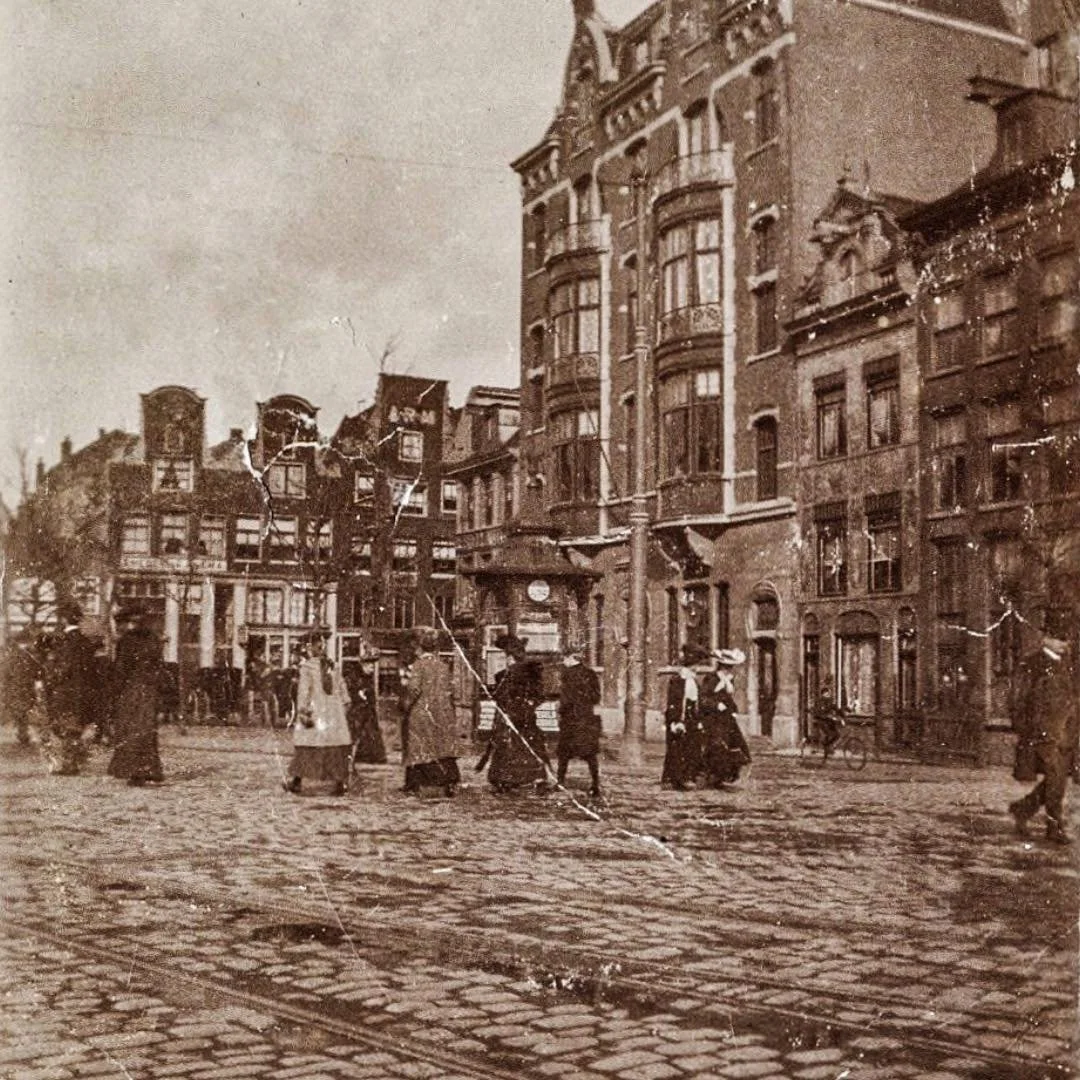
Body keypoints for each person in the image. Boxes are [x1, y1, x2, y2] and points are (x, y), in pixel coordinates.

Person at [1008, 629, 1079, 845]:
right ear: (1045, 639)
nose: (1063, 643)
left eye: (1065, 639)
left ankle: (1022, 809)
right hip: (1043, 734)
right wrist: (1025, 728)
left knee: (1057, 780)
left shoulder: (1070, 665)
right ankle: (1053, 827)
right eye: (1059, 637)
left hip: (1068, 733)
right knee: (1056, 777)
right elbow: (1018, 699)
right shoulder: (1032, 664)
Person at [283, 631, 352, 796]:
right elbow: (343, 689)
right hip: (334, 713)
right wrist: (344, 706)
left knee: (307, 744)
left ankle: (297, 782)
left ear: (309, 648)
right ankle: (340, 783)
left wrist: (302, 711)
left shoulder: (307, 668)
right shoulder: (333, 665)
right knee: (335, 745)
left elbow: (304, 692)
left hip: (316, 711)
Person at [481, 633, 549, 793]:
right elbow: (538, 695)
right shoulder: (512, 674)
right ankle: (529, 778)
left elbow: (504, 696)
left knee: (513, 747)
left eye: (507, 655)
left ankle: (509, 779)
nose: (506, 658)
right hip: (519, 716)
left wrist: (524, 705)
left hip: (514, 717)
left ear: (511, 656)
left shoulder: (513, 674)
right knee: (523, 746)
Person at [400, 627, 460, 796]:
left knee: (419, 746)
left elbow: (414, 690)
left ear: (420, 647)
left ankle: (415, 784)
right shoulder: (443, 666)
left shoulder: (418, 666)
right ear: (435, 649)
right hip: (442, 713)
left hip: (422, 713)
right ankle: (448, 782)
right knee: (442, 748)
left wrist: (406, 706)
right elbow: (450, 691)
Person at [108, 610, 165, 786]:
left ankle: (132, 770)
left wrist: (114, 694)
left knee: (129, 729)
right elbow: (159, 668)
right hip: (149, 690)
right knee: (146, 730)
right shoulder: (154, 640)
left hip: (131, 690)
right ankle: (150, 768)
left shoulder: (126, 641)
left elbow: (121, 670)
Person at [39, 602, 97, 775]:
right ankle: (72, 762)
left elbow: (64, 668)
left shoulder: (63, 642)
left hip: (65, 691)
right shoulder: (86, 641)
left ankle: (69, 764)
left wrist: (50, 678)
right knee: (75, 727)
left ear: (63, 620)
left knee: (65, 727)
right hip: (82, 691)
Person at [556, 643, 603, 798]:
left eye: (564, 658)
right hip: (586, 719)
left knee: (563, 753)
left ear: (570, 658)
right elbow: (596, 697)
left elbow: (566, 699)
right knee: (590, 754)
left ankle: (560, 782)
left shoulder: (567, 674)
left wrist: (561, 710)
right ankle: (595, 785)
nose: (563, 662)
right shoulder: (590, 673)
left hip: (570, 719)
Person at [700, 648, 751, 786]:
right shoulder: (711, 679)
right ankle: (714, 776)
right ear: (721, 666)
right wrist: (716, 705)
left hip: (726, 718)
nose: (729, 670)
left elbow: (728, 698)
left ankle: (729, 775)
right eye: (727, 667)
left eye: (730, 667)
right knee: (717, 745)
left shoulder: (729, 680)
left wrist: (733, 709)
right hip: (713, 718)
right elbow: (703, 698)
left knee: (735, 744)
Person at [662, 644, 708, 790]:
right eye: (695, 666)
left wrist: (699, 720)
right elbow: (674, 702)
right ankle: (672, 779)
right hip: (680, 718)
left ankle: (688, 776)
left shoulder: (694, 682)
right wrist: (675, 721)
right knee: (676, 749)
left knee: (692, 748)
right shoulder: (677, 681)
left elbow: (696, 702)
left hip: (691, 718)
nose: (697, 669)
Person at [347, 656, 387, 765]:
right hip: (357, 710)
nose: (372, 669)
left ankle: (370, 756)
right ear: (363, 665)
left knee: (369, 731)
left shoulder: (366, 677)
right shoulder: (354, 676)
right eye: (370, 667)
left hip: (367, 709)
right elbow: (349, 691)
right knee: (356, 732)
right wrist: (359, 695)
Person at [813, 678, 844, 762]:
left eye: (829, 694)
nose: (828, 695)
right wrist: (828, 717)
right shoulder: (820, 702)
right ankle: (826, 747)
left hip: (829, 721)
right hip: (822, 721)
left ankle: (828, 746)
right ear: (823, 694)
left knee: (837, 734)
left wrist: (843, 713)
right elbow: (819, 713)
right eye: (827, 694)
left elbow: (836, 708)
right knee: (830, 733)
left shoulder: (830, 701)